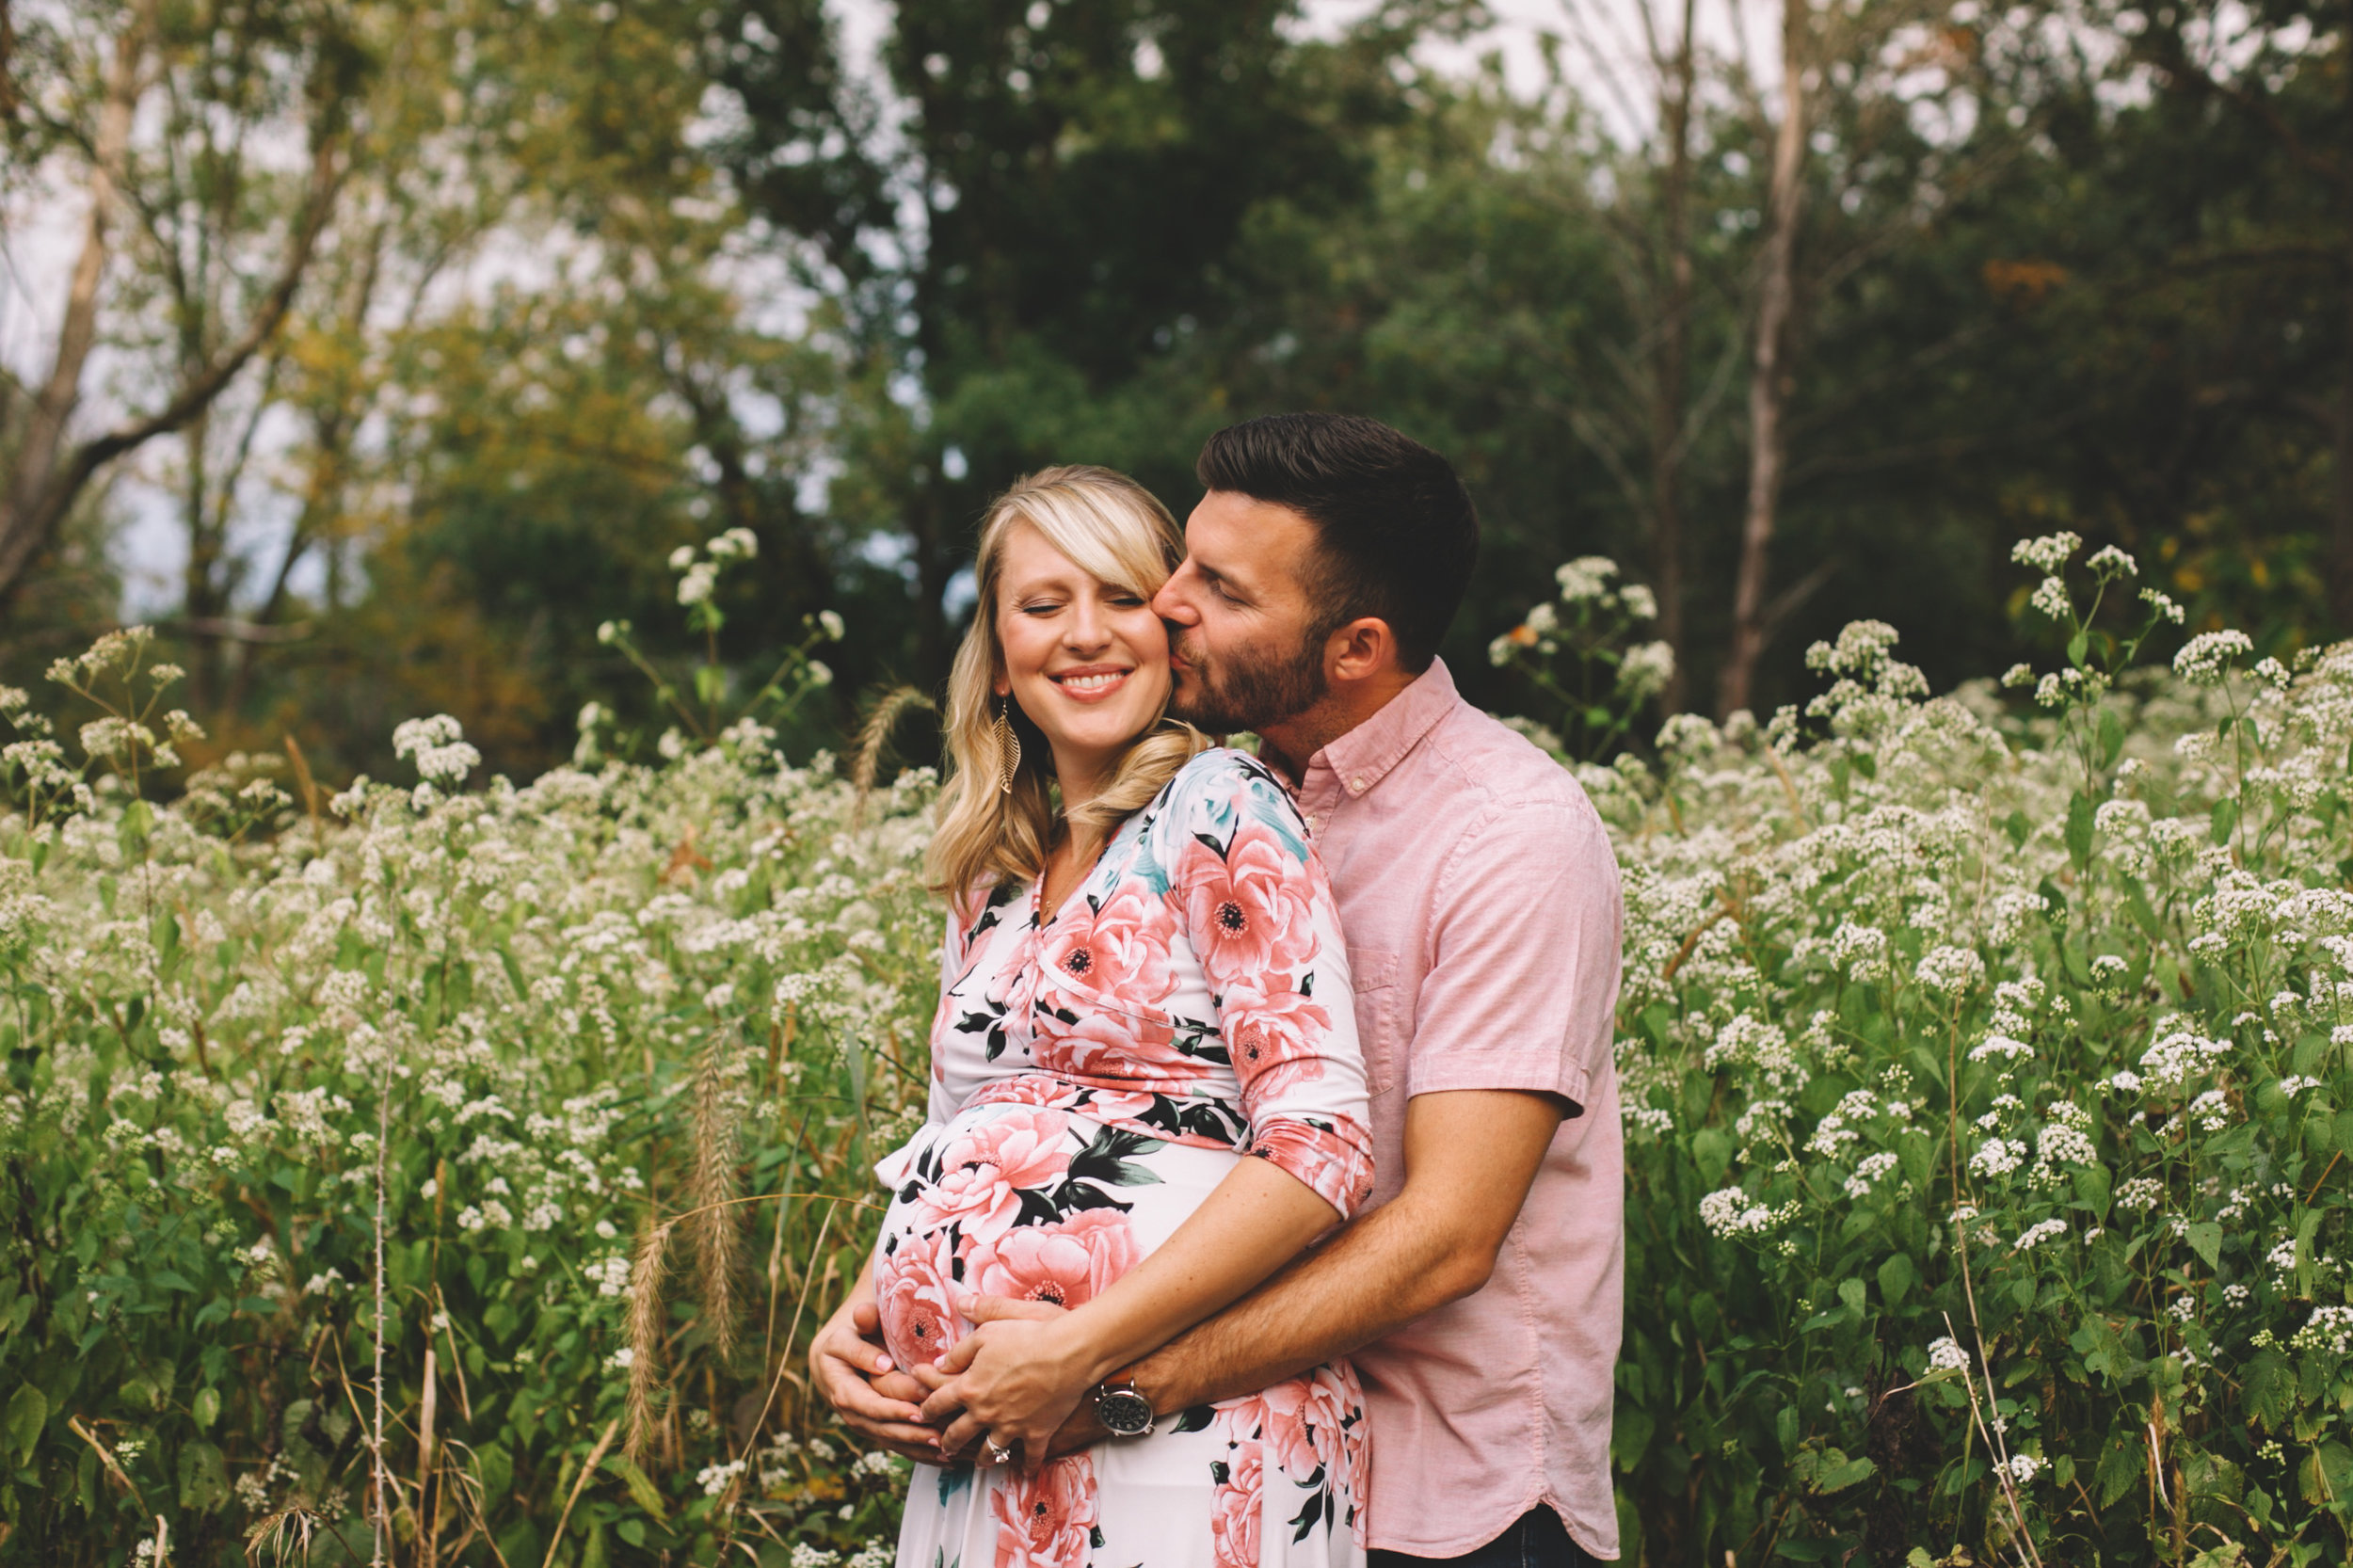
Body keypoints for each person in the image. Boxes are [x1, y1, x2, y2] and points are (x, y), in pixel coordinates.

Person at [813, 416, 1627, 1568]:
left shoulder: (1507, 836)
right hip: (1067, 1448)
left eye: (1215, 588)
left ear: (1353, 646)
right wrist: (871, 1309)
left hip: (1449, 1491)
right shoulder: (1101, 828)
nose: (1167, 603)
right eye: (1179, 563)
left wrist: (1106, 1378)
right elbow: (987, 1121)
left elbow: (1441, 1235)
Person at [853, 464, 1380, 1568]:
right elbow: (951, 1140)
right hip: (987, 1447)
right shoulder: (990, 871)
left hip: (1180, 1446)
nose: (1085, 635)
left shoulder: (1220, 804)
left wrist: (1080, 1352)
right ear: (998, 660)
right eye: (1044, 606)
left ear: (1171, 631)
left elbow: (1323, 1148)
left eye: (1121, 597)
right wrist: (857, 1325)